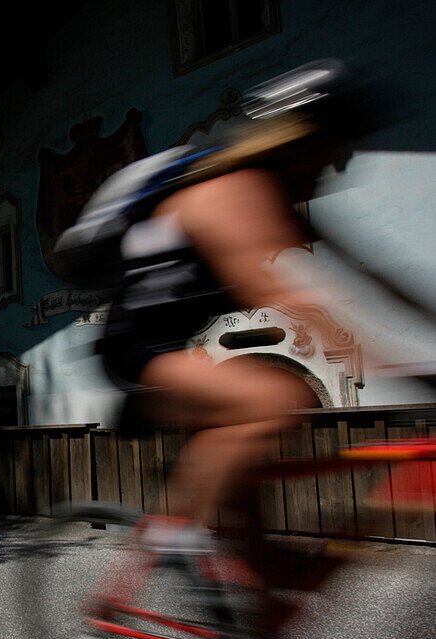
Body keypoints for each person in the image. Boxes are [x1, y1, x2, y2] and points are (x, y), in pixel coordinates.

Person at [68, 60, 381, 551]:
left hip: (174, 347)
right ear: (294, 142)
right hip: (137, 353)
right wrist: (393, 357)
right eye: (327, 149)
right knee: (277, 401)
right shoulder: (228, 191)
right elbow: (279, 294)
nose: (335, 164)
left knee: (253, 525)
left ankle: (249, 612)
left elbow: (376, 279)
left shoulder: (278, 202)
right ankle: (173, 542)